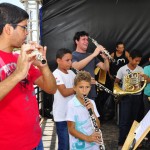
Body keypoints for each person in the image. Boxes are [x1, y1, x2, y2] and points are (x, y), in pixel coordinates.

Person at [0, 3, 57, 150]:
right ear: (8, 28)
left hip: (35, 140)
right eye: (24, 27)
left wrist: (43, 65)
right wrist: (19, 74)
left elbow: (51, 89)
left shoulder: (21, 57)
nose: (27, 32)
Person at [115, 50, 145, 149]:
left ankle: (133, 141)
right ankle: (121, 143)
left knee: (135, 121)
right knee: (124, 121)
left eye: (139, 61)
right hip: (126, 97)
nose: (137, 63)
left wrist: (145, 78)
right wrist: (118, 91)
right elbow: (116, 82)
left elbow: (145, 82)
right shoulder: (122, 69)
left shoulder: (140, 69)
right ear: (130, 58)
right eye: (136, 60)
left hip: (137, 97)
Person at [66, 71, 101, 150]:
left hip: (93, 145)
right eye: (81, 87)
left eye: (87, 87)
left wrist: (93, 112)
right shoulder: (71, 104)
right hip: (78, 146)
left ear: (90, 88)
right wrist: (87, 138)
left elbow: (98, 126)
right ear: (75, 88)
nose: (84, 90)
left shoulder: (92, 102)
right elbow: (71, 129)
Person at [72, 31, 109, 100]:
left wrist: (106, 59)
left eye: (87, 39)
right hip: (79, 93)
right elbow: (76, 66)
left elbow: (105, 68)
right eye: (83, 39)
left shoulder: (91, 55)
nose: (86, 42)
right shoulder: (73, 55)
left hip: (91, 92)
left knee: (92, 111)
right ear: (76, 41)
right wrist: (94, 54)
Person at [53, 48, 76, 150]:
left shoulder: (71, 73)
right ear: (58, 60)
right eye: (67, 60)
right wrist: (79, 87)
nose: (70, 63)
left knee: (72, 144)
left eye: (71, 60)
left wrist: (86, 80)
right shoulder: (56, 74)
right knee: (64, 145)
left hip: (72, 115)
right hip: (61, 116)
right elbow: (64, 92)